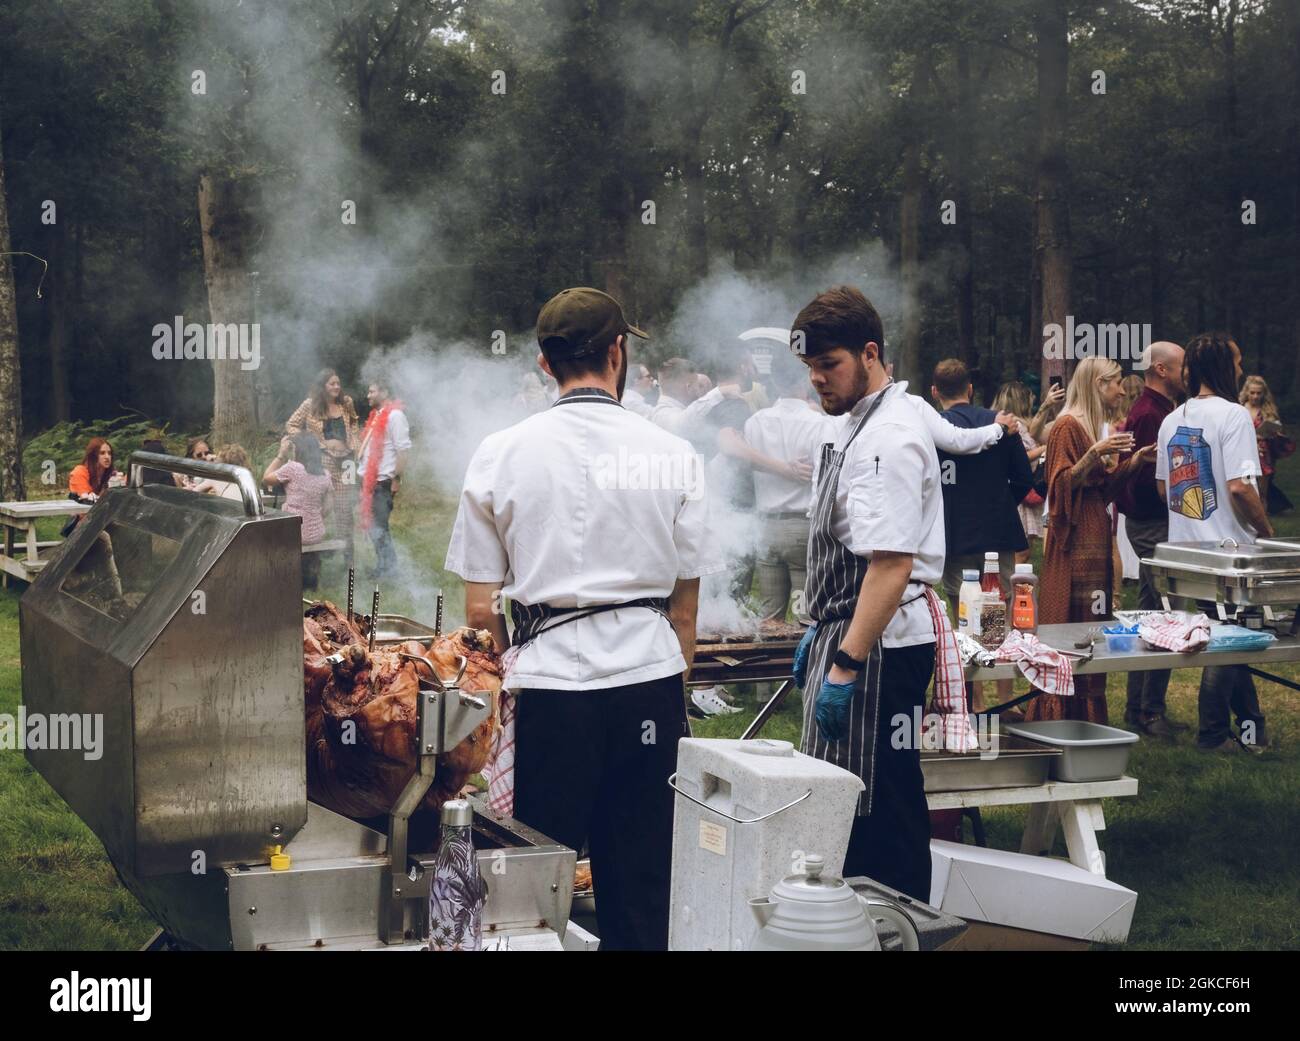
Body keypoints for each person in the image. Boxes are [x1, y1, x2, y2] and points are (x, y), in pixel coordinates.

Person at [445, 287, 721, 950]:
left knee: (536, 887)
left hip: (550, 692)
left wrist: (510, 686)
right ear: (617, 352)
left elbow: (481, 611)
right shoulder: (673, 451)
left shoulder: (499, 452)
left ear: (546, 365)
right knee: (641, 880)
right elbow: (685, 609)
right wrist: (668, 684)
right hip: (647, 685)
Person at [789, 285, 956, 901]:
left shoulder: (888, 437)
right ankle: (848, 925)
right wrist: (819, 626)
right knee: (842, 799)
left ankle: (899, 928)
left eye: (828, 366)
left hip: (880, 648)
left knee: (880, 807)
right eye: (809, 369)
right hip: (849, 628)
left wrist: (844, 663)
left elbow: (889, 566)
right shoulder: (854, 424)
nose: (817, 381)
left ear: (869, 352)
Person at [1157, 334, 1272, 754]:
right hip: (1228, 552)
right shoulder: (1235, 415)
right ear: (1224, 368)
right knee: (1228, 640)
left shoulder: (1172, 419)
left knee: (1229, 636)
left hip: (1184, 550)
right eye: (1237, 363)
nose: (1241, 370)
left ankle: (1251, 729)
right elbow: (1241, 487)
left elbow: (1161, 487)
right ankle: (1212, 735)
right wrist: (1266, 532)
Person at [1025, 357, 1154, 724]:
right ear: (1098, 384)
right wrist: (1094, 454)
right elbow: (1059, 484)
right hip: (1074, 539)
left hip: (1095, 534)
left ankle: (1086, 715)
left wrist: (1135, 463)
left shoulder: (1092, 426)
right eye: (1114, 383)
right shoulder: (1067, 425)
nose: (1120, 390)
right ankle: (1056, 713)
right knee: (1070, 621)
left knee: (1092, 625)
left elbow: (1101, 491)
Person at [1114, 341, 1186, 739]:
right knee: (1163, 614)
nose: (1185, 374)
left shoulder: (1160, 410)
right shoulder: (1148, 414)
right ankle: (1148, 711)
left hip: (1153, 523)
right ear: (1161, 369)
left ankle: (1139, 707)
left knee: (1154, 611)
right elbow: (1141, 479)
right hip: (1152, 525)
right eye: (1180, 367)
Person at [931, 360, 1034, 605]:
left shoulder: (931, 429)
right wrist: (1002, 500)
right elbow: (1023, 477)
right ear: (970, 389)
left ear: (934, 391)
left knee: (963, 604)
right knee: (1002, 602)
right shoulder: (1001, 423)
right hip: (997, 526)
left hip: (954, 529)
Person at [743, 352, 826, 624]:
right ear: (806, 380)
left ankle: (768, 668)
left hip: (766, 527)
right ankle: (802, 666)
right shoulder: (819, 423)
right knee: (806, 617)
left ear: (774, 382)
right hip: (802, 527)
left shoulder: (755, 422)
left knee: (770, 617)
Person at [286, 369, 360, 566]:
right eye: (332, 384)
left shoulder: (346, 403)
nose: (337, 387)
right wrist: (310, 443)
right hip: (324, 458)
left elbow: (354, 421)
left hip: (347, 461)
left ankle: (348, 556)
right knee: (321, 504)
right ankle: (316, 552)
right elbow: (292, 425)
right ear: (323, 386)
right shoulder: (310, 404)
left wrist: (354, 440)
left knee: (345, 507)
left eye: (338, 383)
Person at [264, 433, 335, 591]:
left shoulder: (294, 469)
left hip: (293, 532)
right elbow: (329, 505)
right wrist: (315, 515)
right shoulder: (325, 474)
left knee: (266, 531)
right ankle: (310, 581)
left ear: (299, 450)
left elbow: (266, 478)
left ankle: (280, 578)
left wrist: (281, 455)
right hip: (316, 533)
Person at [357, 378, 411, 580]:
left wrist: (397, 479)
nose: (368, 395)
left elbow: (403, 451)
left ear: (384, 392)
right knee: (373, 527)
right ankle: (383, 566)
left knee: (380, 527)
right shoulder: (376, 416)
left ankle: (390, 570)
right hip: (369, 482)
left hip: (382, 482)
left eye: (372, 391)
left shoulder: (395, 416)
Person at [992, 382, 1047, 562]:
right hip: (1019, 494)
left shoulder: (1002, 424)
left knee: (1023, 549)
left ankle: (1014, 584)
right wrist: (1044, 448)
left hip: (1020, 492)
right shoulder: (1014, 426)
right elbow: (1020, 457)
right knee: (1020, 550)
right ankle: (1012, 586)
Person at [1239, 375, 1284, 508]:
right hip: (1243, 452)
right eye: (1252, 392)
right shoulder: (1239, 408)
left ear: (1264, 393)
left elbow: (1275, 429)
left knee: (1262, 491)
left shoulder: (1268, 410)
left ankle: (1262, 521)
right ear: (1246, 392)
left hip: (1263, 453)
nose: (1255, 396)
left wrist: (1275, 433)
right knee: (1245, 488)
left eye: (1259, 393)